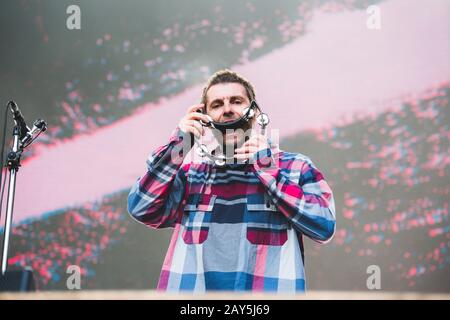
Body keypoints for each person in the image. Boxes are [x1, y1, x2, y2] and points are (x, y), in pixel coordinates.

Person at [127, 69, 336, 292]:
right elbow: (141, 207)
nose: (227, 110)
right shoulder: (189, 173)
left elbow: (323, 226)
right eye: (217, 105)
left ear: (255, 113)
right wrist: (179, 145)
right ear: (203, 118)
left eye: (236, 101)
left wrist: (268, 169)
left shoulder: (296, 167)